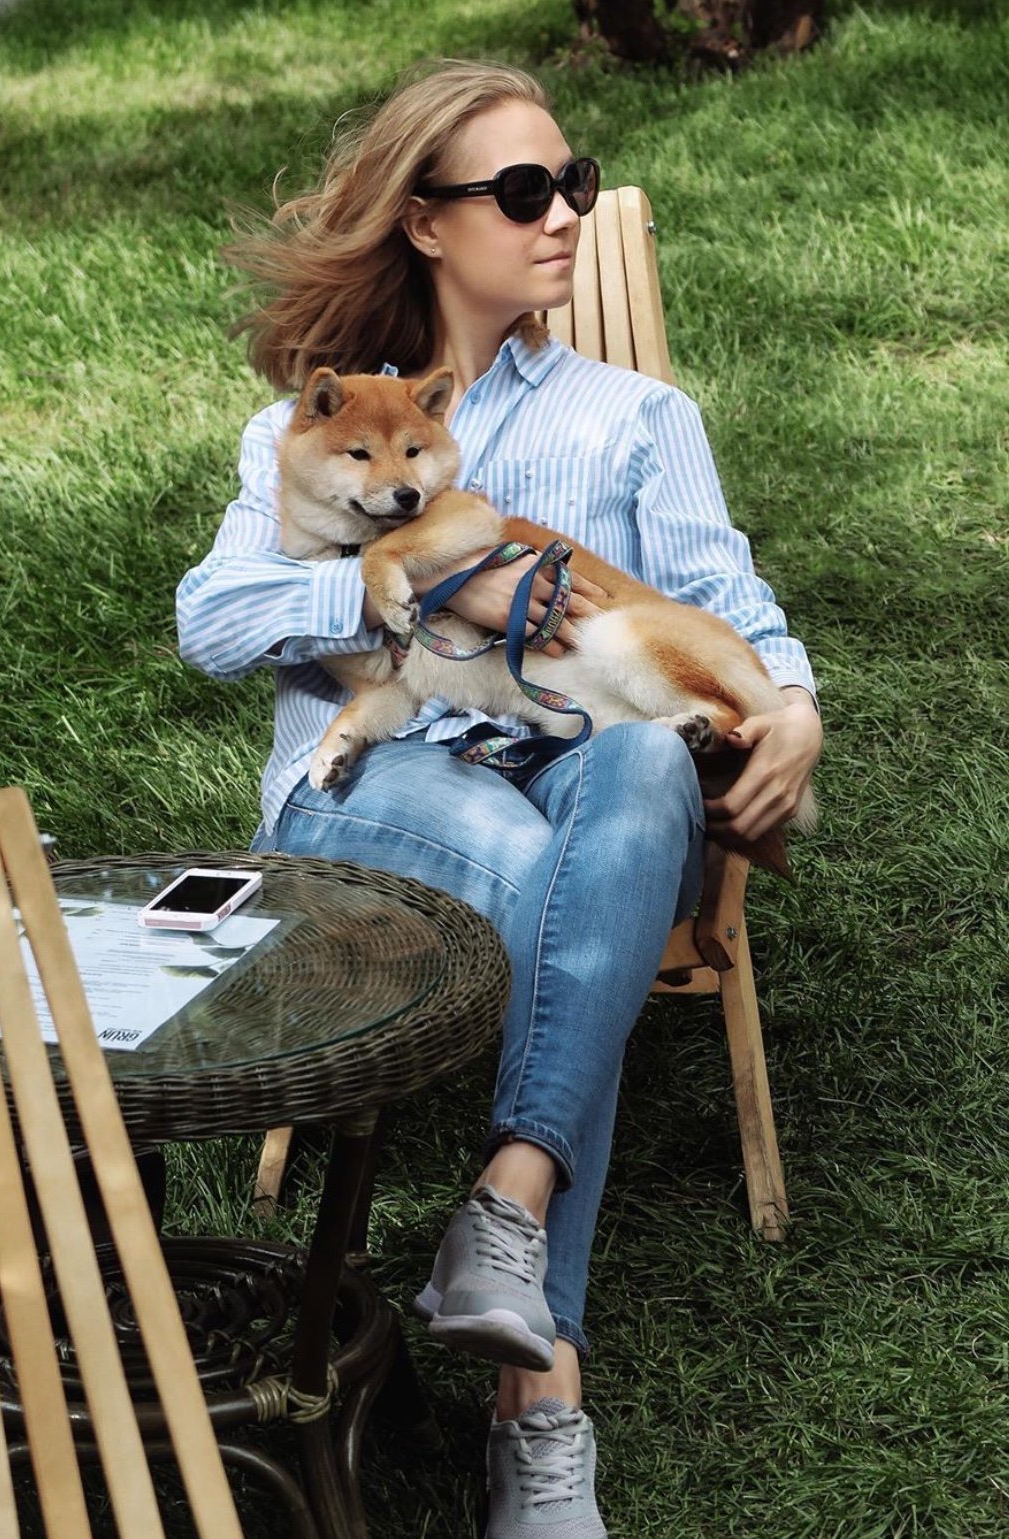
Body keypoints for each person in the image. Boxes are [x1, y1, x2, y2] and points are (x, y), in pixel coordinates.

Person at [176, 59, 821, 1539]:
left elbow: (735, 614)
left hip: (597, 767)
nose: (562, 218)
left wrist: (789, 715)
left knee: (647, 756)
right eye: (522, 192)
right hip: (381, 788)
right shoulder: (309, 431)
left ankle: (506, 1213)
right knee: (563, 859)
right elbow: (210, 624)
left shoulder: (636, 415)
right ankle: (542, 1396)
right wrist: (397, 567)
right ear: (423, 222)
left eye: (573, 185)